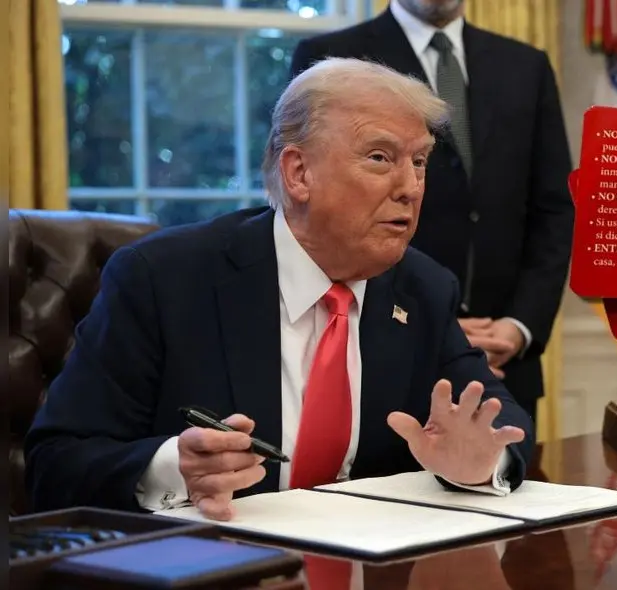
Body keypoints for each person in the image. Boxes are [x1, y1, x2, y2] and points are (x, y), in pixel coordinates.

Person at [24, 57, 535, 522]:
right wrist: (172, 468)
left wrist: (481, 460)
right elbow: (54, 463)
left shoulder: (422, 288)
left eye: (419, 161)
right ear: (299, 173)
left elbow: (498, 419)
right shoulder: (163, 278)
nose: (410, 186)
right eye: (381, 158)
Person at [290, 0, 575, 421]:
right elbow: (318, 211)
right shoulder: (333, 56)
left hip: (505, 358)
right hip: (382, 346)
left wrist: (519, 326)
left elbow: (554, 208)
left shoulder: (525, 64)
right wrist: (437, 329)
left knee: (504, 473)